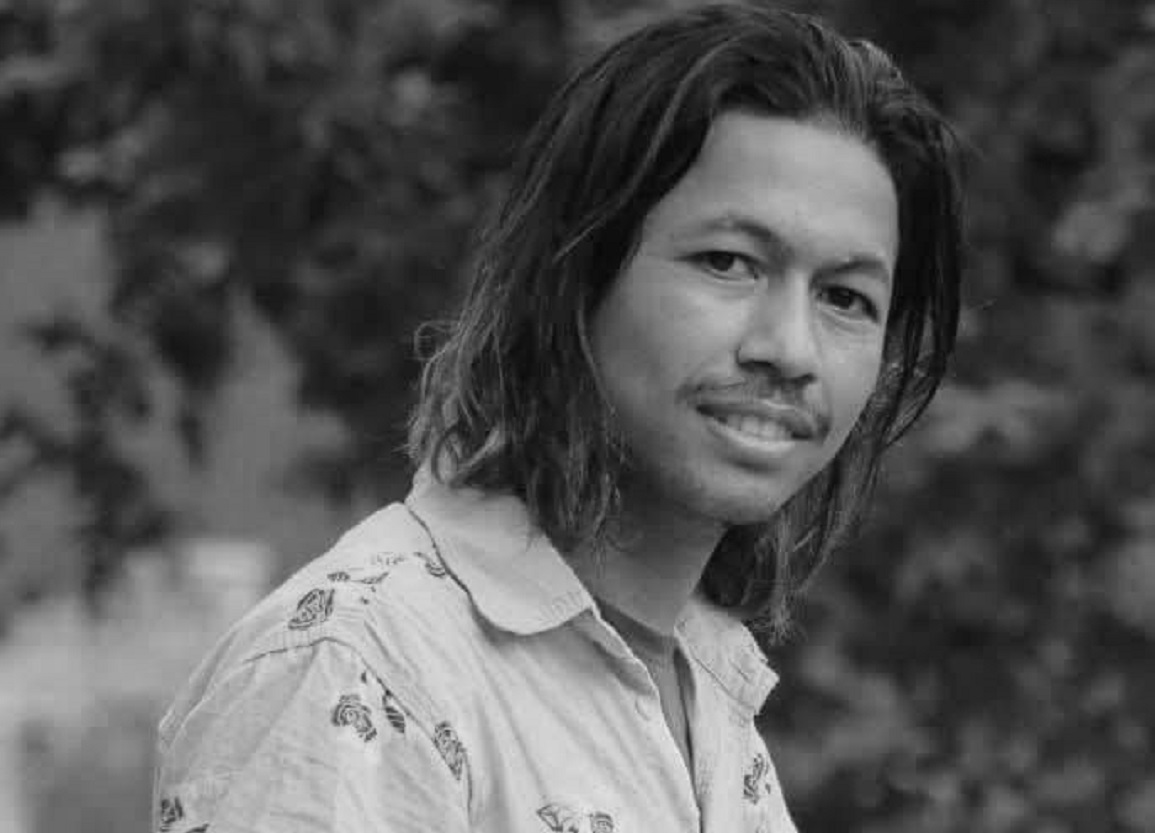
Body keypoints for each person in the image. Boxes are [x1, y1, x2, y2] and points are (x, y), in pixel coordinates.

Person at [152, 4, 963, 832]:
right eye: (727, 262)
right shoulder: (361, 668)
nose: (788, 348)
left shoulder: (711, 698)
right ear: (573, 277)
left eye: (844, 298)